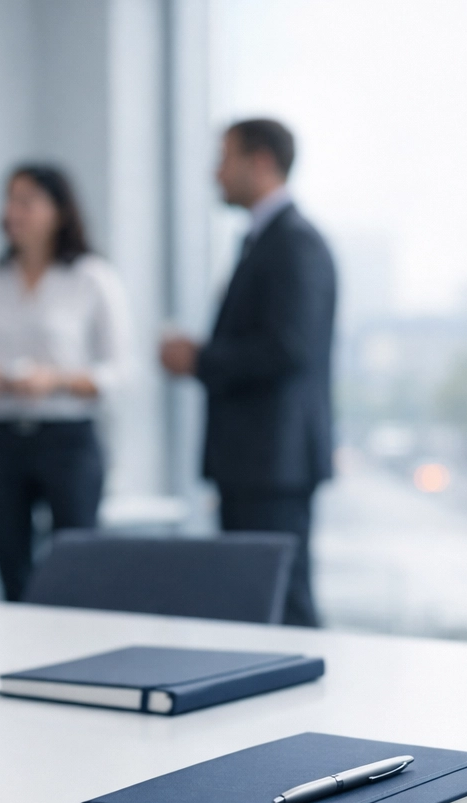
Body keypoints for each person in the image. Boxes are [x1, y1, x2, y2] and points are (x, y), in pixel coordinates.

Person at [160, 119, 336, 627]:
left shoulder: (294, 243)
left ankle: (317, 704)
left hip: (275, 463)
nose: (215, 172)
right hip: (256, 461)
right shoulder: (268, 241)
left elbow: (289, 349)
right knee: (256, 598)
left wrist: (200, 359)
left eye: (224, 157)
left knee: (285, 599)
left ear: (259, 162)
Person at [0, 165, 133, 602]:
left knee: (76, 570)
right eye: (9, 199)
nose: (13, 211)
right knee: (11, 574)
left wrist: (56, 381)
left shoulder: (92, 278)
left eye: (27, 201)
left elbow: (119, 371)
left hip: (67, 440)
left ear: (58, 211)